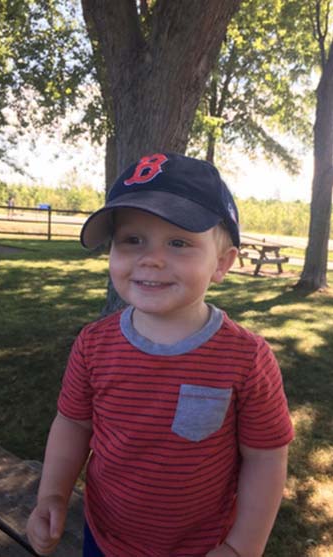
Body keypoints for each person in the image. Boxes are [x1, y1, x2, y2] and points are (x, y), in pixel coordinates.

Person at [26, 153, 294, 557]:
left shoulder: (246, 358)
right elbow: (73, 424)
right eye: (132, 240)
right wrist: (52, 495)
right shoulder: (93, 344)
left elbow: (265, 458)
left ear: (221, 263)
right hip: (106, 539)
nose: (151, 258)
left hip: (201, 547)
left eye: (179, 242)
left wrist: (243, 547)